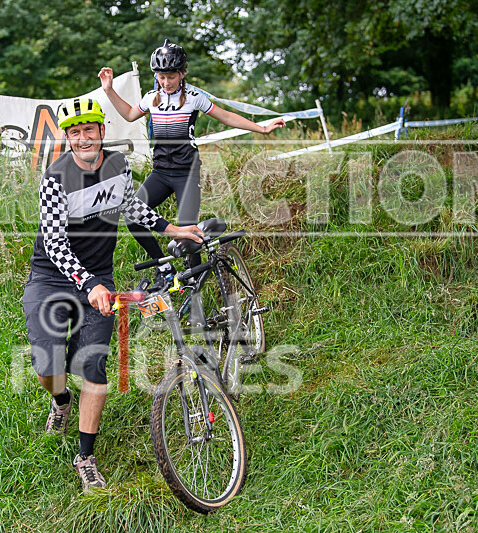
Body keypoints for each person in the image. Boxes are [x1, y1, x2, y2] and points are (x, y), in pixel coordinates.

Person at [22, 98, 203, 492]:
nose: (83, 138)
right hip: (52, 278)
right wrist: (87, 285)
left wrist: (173, 230)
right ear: (67, 139)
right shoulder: (56, 177)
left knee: (94, 366)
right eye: (74, 133)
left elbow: (133, 209)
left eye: (89, 130)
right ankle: (60, 400)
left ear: (102, 132)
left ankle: (85, 457)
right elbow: (54, 243)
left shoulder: (118, 166)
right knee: (45, 363)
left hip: (99, 276)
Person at [99, 39, 286, 286]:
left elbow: (226, 116)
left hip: (186, 174)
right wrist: (109, 89)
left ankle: (195, 287)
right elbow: (129, 114)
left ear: (182, 73)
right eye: (161, 76)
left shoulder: (194, 97)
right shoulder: (151, 98)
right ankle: (163, 268)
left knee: (188, 236)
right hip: (161, 173)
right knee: (133, 217)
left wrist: (261, 128)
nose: (166, 82)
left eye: (171, 76)